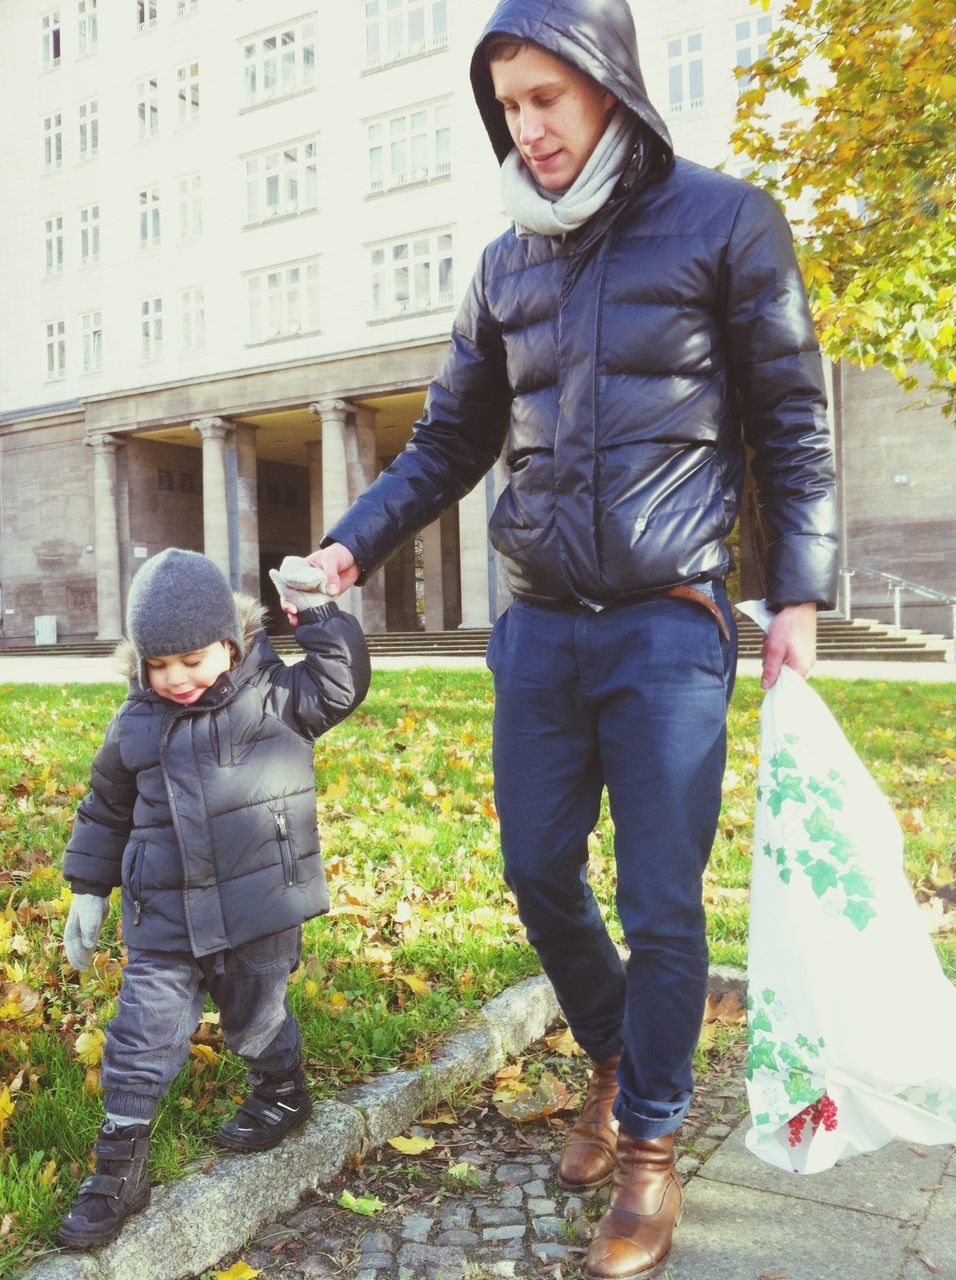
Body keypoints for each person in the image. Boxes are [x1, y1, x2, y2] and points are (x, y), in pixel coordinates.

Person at [313, 1, 836, 1275]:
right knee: (539, 874)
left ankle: (650, 1144)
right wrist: (348, 544)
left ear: (609, 86)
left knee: (662, 905)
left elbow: (789, 416)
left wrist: (801, 594)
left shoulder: (726, 220)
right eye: (507, 104)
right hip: (539, 628)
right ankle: (610, 1050)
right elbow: (447, 438)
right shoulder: (506, 264)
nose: (526, 126)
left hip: (668, 626)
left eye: (547, 96)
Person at [57, 549, 370, 1250]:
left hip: (258, 905)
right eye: (157, 665)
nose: (174, 679)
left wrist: (317, 612)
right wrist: (88, 890)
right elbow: (105, 807)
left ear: (231, 643)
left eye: (192, 659)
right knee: (140, 1035)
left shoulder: (280, 697)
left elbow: (344, 683)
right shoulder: (135, 722)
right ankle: (118, 1167)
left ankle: (282, 1089)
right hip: (163, 912)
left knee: (254, 1017)